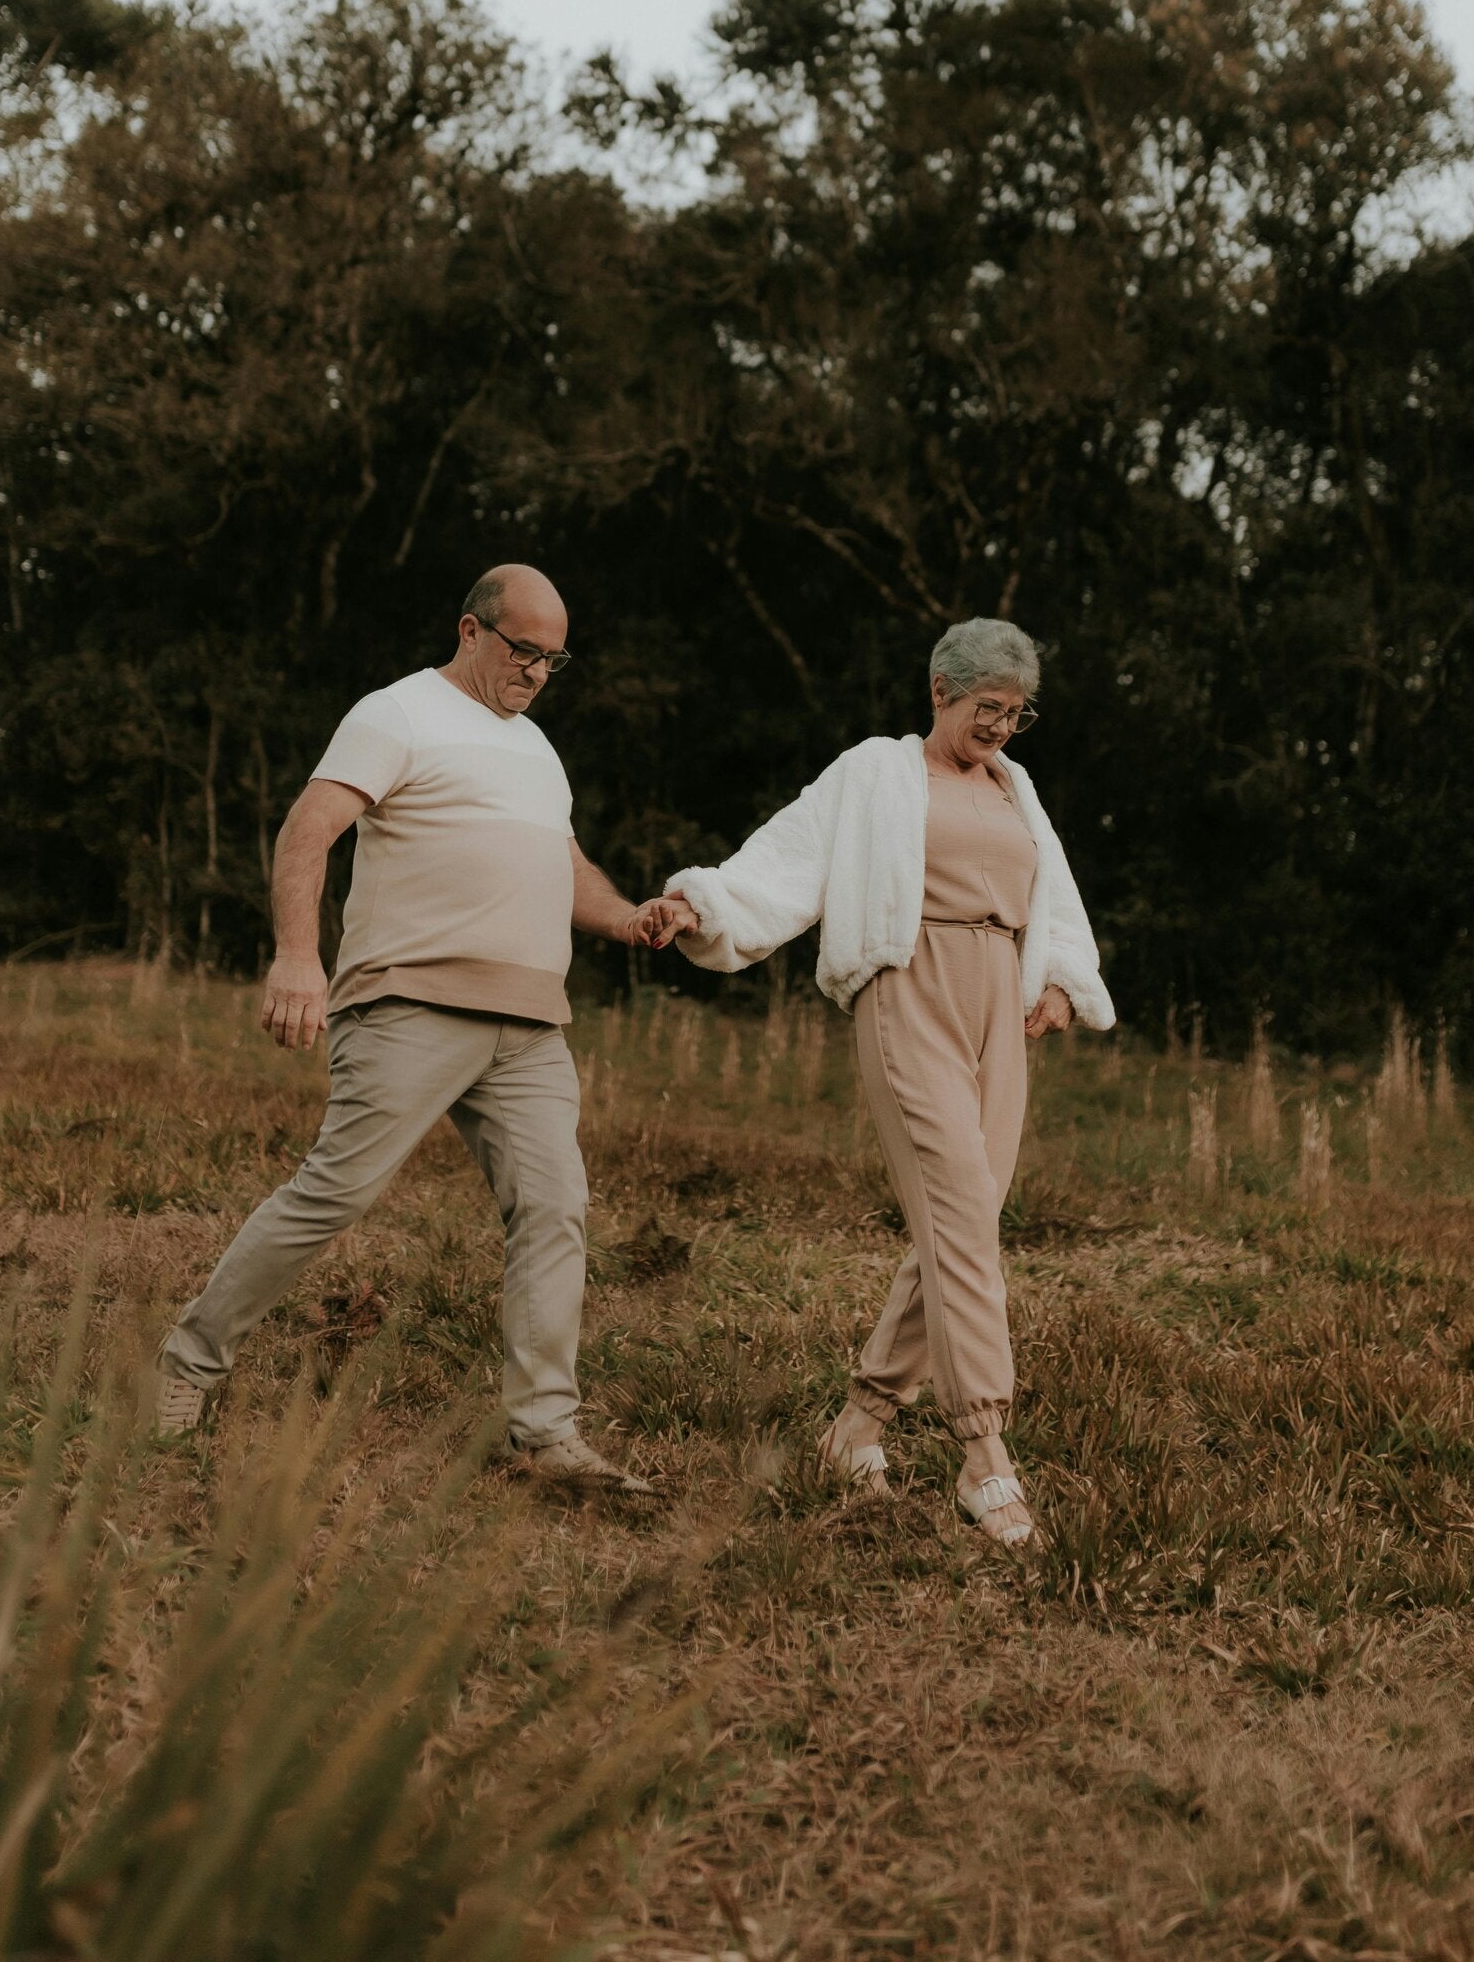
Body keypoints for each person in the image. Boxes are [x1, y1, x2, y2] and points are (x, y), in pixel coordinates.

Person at [156, 565, 679, 1492]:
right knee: (336, 1193)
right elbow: (309, 830)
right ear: (471, 631)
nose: (536, 675)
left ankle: (544, 1435)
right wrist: (296, 956)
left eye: (555, 661)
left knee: (555, 1208)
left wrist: (628, 915)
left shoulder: (538, 750)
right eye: (523, 652)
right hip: (410, 1003)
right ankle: (189, 1360)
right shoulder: (396, 713)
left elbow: (566, 870)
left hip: (529, 1025)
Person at [653, 618, 1114, 1551]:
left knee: (970, 1216)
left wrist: (1062, 976)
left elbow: (1052, 895)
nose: (1002, 729)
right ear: (941, 688)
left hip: (999, 997)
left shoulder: (1014, 789)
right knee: (957, 1211)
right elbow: (784, 859)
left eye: (1018, 715)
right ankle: (984, 1453)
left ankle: (858, 1425)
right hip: (910, 985)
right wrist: (698, 903)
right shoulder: (876, 772)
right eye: (990, 708)